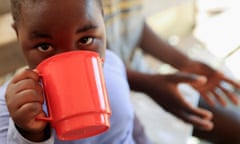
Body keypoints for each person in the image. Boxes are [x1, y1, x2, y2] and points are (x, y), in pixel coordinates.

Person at [102, 0, 240, 143]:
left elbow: (132, 22)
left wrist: (184, 63)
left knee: (235, 129)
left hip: (145, 78)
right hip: (108, 97)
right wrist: (147, 83)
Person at [0, 0, 138, 143]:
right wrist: (28, 134)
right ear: (18, 35)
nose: (71, 65)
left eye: (86, 39)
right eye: (45, 46)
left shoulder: (112, 63)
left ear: (102, 20)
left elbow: (131, 126)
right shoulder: (10, 108)